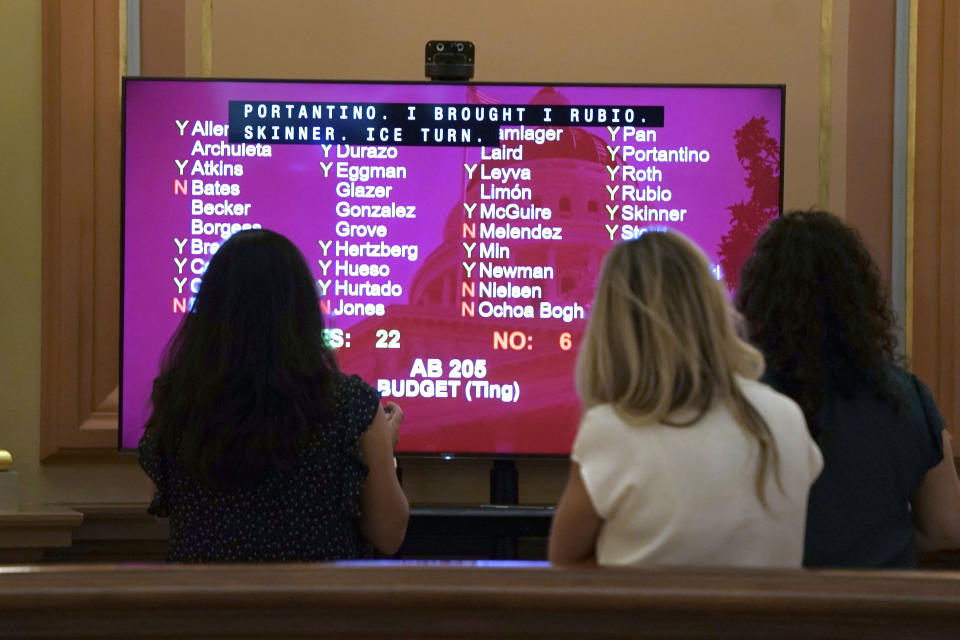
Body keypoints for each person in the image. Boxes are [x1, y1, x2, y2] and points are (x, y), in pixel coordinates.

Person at [548, 231, 822, 567]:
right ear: (713, 308)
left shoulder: (612, 429)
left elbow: (564, 562)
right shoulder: (785, 417)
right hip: (771, 620)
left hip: (648, 620)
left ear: (611, 328)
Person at [138, 229, 409, 561]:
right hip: (316, 606)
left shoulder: (178, 399)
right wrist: (384, 447)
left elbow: (159, 508)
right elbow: (389, 535)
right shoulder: (351, 404)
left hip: (204, 606)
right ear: (303, 312)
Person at [736, 209, 960, 567]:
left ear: (755, 296)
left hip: (772, 610)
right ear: (859, 298)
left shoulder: (737, 396)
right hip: (882, 610)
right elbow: (947, 527)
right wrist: (883, 543)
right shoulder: (908, 396)